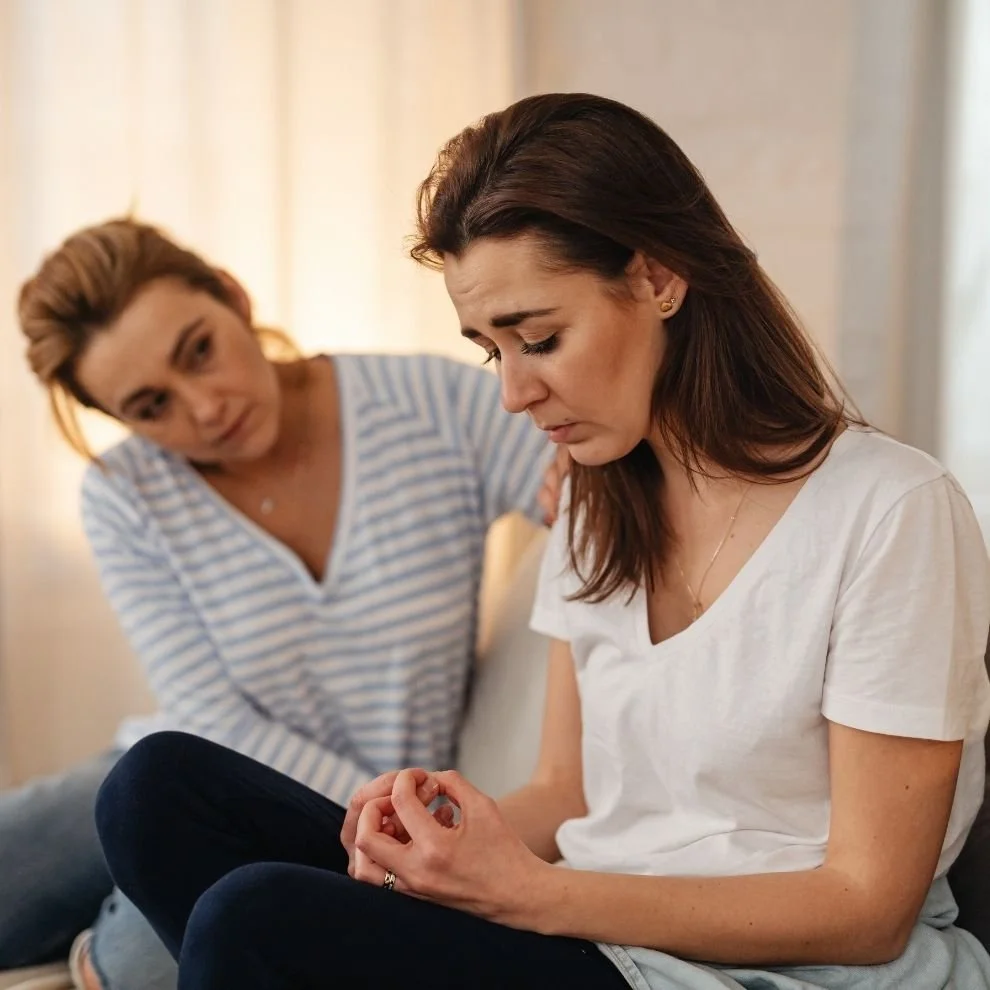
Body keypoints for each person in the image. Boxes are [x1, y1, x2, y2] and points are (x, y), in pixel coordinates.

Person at [94, 93, 990, 990]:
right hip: (593, 933)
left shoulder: (890, 511)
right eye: (493, 350)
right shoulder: (597, 504)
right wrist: (431, 836)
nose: (513, 393)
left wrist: (527, 896)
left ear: (660, 278)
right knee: (156, 790)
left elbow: (869, 908)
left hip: (757, 972)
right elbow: (570, 795)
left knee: (252, 920)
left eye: (540, 338)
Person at [5, 218, 558, 990]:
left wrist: (592, 486)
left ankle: (101, 937)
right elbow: (207, 715)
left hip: (353, 828)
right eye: (151, 405)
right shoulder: (126, 494)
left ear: (232, 297)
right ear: (121, 421)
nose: (203, 408)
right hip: (177, 783)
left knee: (134, 967)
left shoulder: (427, 404)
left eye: (199, 349)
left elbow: (587, 464)